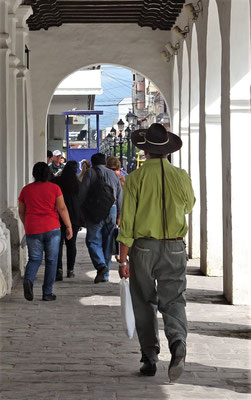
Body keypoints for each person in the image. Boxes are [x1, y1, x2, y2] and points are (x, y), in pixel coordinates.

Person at [117, 123, 195, 381]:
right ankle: (178, 342)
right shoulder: (181, 176)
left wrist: (123, 257)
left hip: (143, 247)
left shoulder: (136, 178)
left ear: (146, 151)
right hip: (174, 246)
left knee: (143, 300)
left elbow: (127, 221)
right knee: (174, 299)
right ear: (167, 151)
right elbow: (188, 205)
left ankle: (149, 356)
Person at [18, 162, 73, 301]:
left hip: (33, 228)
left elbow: (21, 211)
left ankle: (29, 280)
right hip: (52, 228)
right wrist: (69, 226)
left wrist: (27, 225)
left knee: (34, 259)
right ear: (48, 173)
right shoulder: (54, 188)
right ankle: (47, 292)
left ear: (34, 174)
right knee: (51, 260)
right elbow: (62, 208)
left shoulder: (26, 190)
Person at [80, 153, 122, 283]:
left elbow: (82, 193)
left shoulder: (90, 173)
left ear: (92, 163)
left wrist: (81, 210)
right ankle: (105, 275)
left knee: (92, 240)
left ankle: (100, 265)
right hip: (112, 209)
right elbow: (120, 196)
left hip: (95, 210)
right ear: (105, 163)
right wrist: (119, 215)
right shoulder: (114, 175)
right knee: (108, 242)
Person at [52, 161, 82, 281]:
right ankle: (70, 270)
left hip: (58, 215)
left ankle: (58, 269)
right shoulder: (77, 184)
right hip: (73, 216)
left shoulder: (57, 182)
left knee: (57, 244)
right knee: (71, 244)